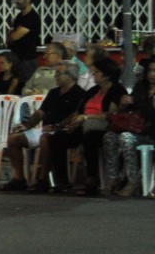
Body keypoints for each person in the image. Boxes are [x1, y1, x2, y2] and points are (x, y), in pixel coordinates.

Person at [0, 62, 85, 192]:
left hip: (63, 130)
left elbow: (74, 115)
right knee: (13, 139)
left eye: (59, 73)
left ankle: (43, 179)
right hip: (46, 128)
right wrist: (27, 125)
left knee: (46, 138)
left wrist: (56, 126)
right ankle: (19, 178)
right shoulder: (53, 92)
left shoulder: (79, 93)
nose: (56, 76)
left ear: (70, 76)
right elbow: (40, 112)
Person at [46, 57, 126, 196]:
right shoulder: (93, 90)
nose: (93, 75)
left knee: (90, 138)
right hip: (83, 125)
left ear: (105, 75)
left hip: (103, 128)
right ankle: (62, 179)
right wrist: (72, 123)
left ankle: (91, 179)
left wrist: (87, 117)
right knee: (58, 137)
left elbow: (111, 115)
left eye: (96, 72)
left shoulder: (117, 90)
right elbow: (79, 111)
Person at [103, 57, 155, 197]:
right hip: (135, 127)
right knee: (109, 136)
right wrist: (124, 103)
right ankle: (113, 176)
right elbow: (125, 110)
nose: (152, 74)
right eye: (150, 71)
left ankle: (134, 179)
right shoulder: (141, 86)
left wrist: (138, 102)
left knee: (126, 138)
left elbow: (151, 114)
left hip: (150, 133)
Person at [7, 0, 41, 83]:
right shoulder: (19, 16)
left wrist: (12, 32)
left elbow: (14, 36)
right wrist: (12, 32)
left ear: (28, 0)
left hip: (27, 61)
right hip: (18, 60)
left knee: (26, 89)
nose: (15, 1)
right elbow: (9, 38)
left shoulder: (32, 17)